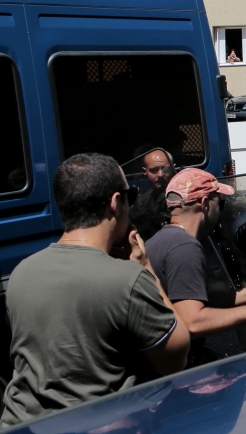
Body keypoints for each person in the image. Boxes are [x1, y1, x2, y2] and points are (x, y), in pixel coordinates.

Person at [1, 154, 189, 426]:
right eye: (130, 195)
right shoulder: (128, 279)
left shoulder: (22, 272)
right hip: (101, 425)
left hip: (23, 426)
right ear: (115, 203)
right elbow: (176, 358)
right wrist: (146, 267)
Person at [146, 168, 246, 362]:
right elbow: (192, 322)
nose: (221, 209)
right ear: (205, 203)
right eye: (221, 203)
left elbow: (196, 298)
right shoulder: (185, 247)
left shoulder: (164, 240)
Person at [129, 148, 174, 240]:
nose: (160, 175)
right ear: (145, 171)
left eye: (165, 169)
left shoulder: (186, 196)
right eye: (154, 170)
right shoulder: (142, 202)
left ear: (173, 168)